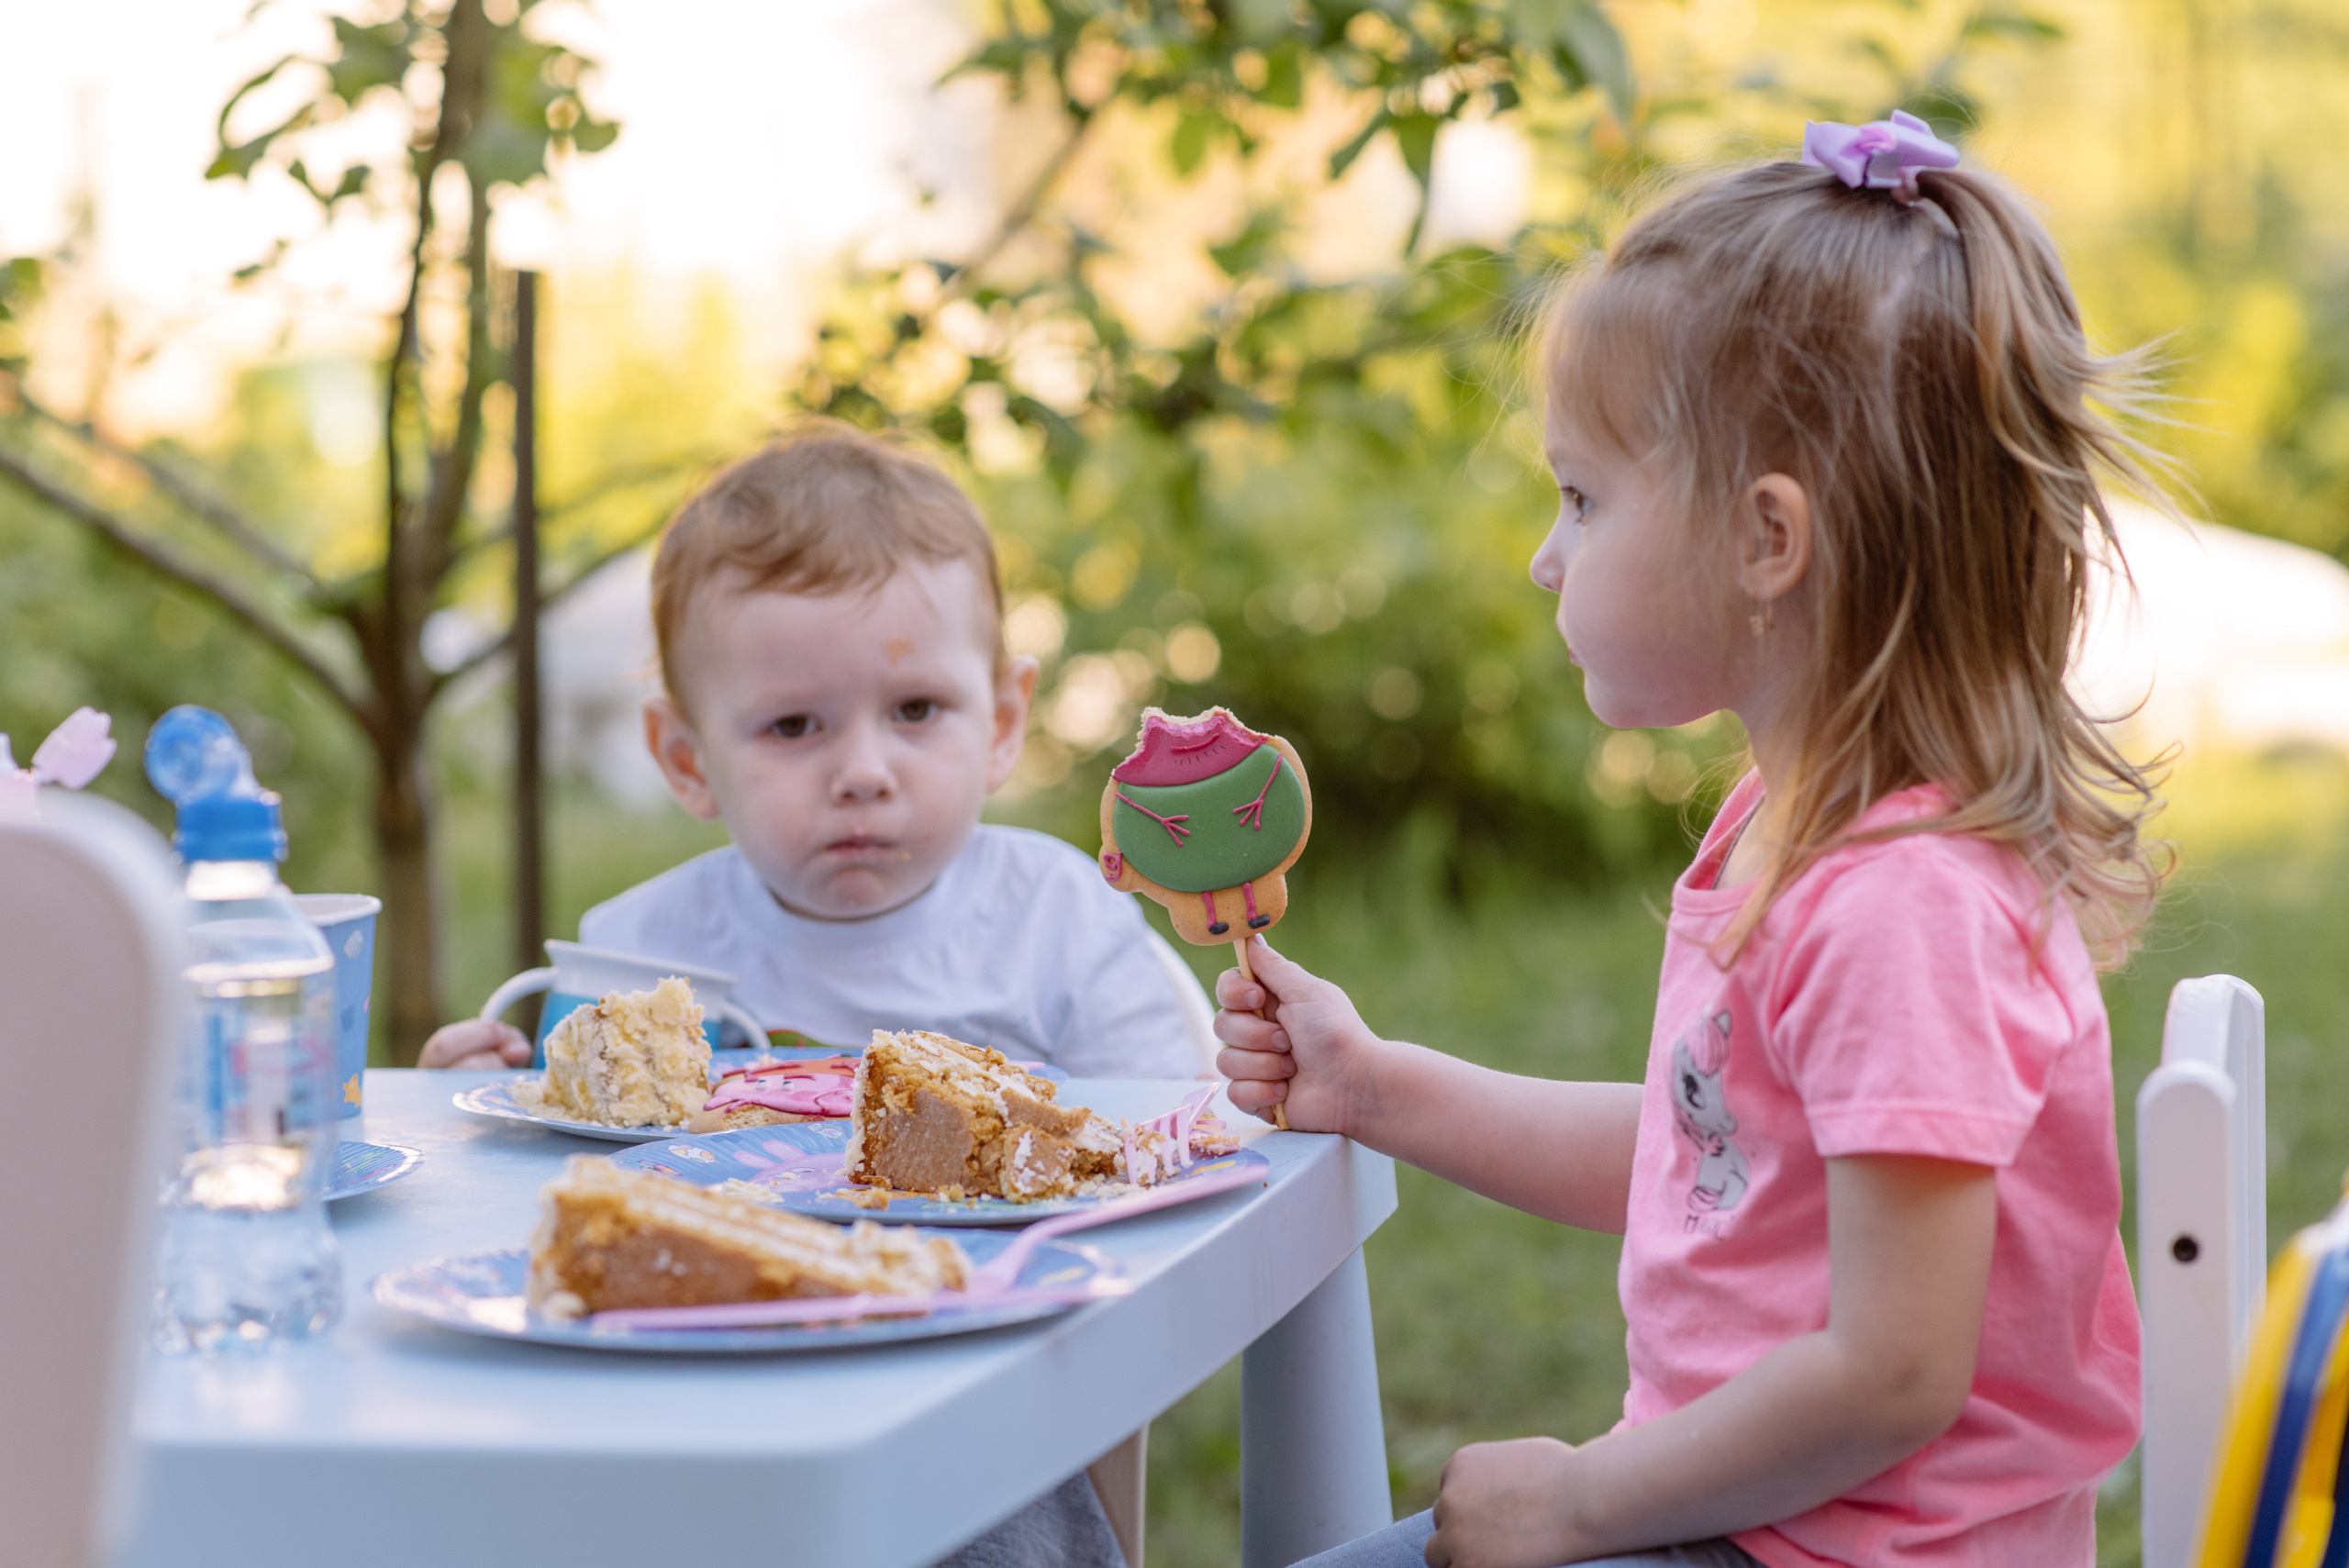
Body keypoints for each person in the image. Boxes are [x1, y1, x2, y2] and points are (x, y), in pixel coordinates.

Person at [1215, 124, 2170, 1568]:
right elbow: (1713, 1166)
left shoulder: (1903, 906)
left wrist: (1584, 1500)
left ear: (1765, 540)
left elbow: (1896, 1371)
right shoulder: (1798, 837)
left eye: (1583, 497)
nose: (1548, 555)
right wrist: (1381, 1087)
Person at [423, 421, 1207, 1568]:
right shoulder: (642, 950)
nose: (862, 767)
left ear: (1000, 721)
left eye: (917, 711)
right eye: (794, 725)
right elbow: (560, 1178)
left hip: (960, 1374)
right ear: (688, 758)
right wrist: (480, 1106)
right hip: (677, 1389)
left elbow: (1163, 1133)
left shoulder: (1056, 919)